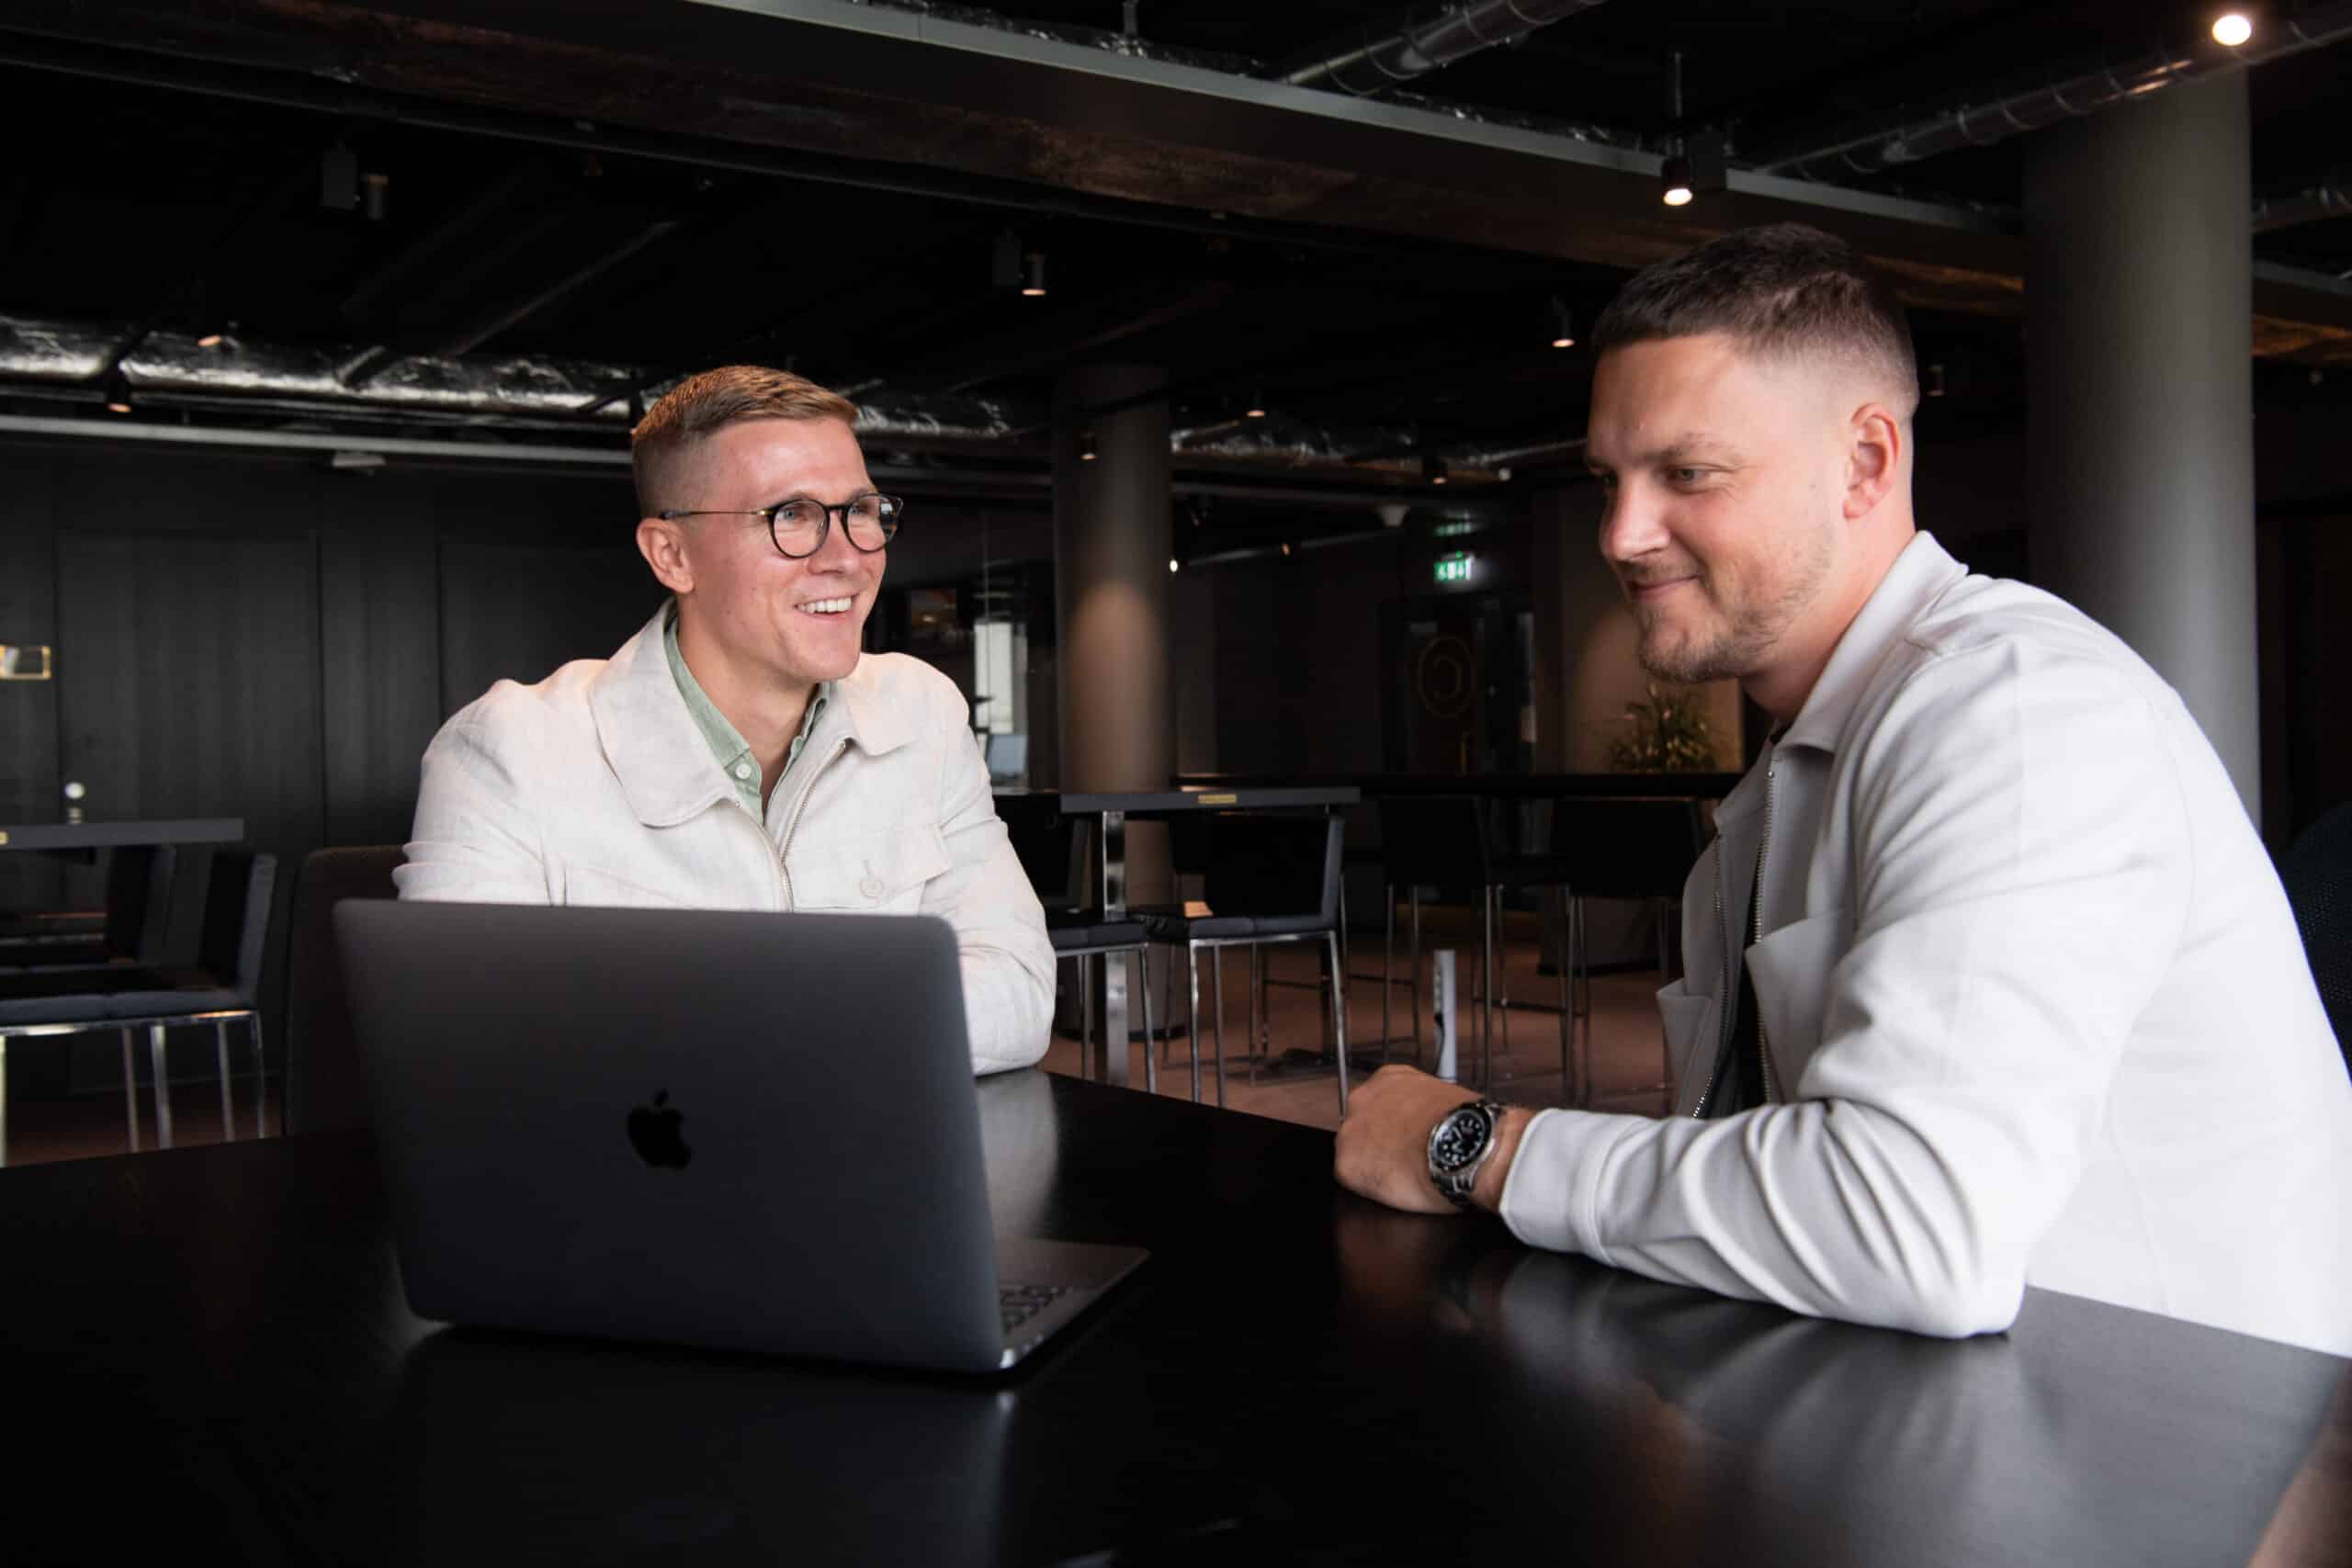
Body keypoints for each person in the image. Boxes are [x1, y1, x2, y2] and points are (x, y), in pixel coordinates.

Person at [1336, 223, 2352, 1355]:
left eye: (1688, 474)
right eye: (1608, 480)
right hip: (1959, 1419)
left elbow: (1908, 1226)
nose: (1621, 535)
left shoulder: (2012, 710)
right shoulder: (1797, 764)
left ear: (1865, 462)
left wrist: (1479, 1145)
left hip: (2184, 1470)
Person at [397, 365, 1055, 1075]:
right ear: (671, 555)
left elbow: (1018, 993)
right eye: (792, 515)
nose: (848, 558)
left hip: (880, 1170)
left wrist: (714, 1016)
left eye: (861, 511)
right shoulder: (509, 752)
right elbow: (462, 1048)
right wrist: (860, 1013)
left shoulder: (923, 711)